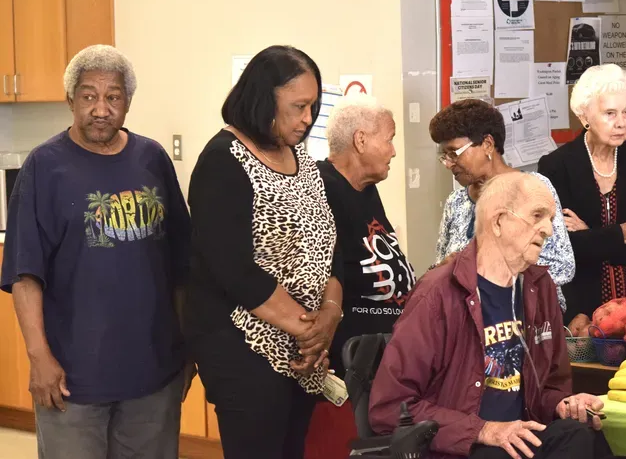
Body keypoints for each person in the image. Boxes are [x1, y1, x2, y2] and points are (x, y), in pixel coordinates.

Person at [0, 45, 193, 459]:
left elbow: (180, 266)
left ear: (128, 103)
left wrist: (186, 346)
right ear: (71, 100)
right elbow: (24, 274)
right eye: (89, 96)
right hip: (73, 379)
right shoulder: (44, 168)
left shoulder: (152, 159)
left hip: (154, 374)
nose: (101, 109)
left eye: (113, 97)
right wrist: (39, 358)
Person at [369, 173, 610, 459]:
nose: (548, 229)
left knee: (584, 435)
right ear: (498, 222)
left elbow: (549, 387)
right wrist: (483, 430)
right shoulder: (437, 294)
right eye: (537, 216)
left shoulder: (539, 286)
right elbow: (391, 408)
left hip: (517, 439)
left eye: (550, 218)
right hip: (463, 446)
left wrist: (564, 404)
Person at [186, 45, 343, 459]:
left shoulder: (302, 158)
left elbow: (327, 245)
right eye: (298, 107)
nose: (308, 119)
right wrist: (311, 330)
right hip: (244, 351)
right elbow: (233, 270)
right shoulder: (222, 161)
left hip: (304, 349)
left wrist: (329, 314)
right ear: (262, 100)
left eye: (313, 106)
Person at [538, 64, 626, 323]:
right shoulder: (557, 166)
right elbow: (566, 249)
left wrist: (592, 236)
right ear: (584, 117)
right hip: (584, 308)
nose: (621, 122)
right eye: (609, 113)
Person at [429, 99, 575, 312]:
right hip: (470, 331)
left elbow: (562, 267)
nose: (449, 163)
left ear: (487, 144)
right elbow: (441, 269)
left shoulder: (533, 188)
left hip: (528, 327)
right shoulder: (456, 202)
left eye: (454, 153)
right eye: (445, 156)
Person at [317, 94, 415, 371]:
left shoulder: (367, 188)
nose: (393, 151)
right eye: (389, 139)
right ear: (361, 140)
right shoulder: (321, 187)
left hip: (385, 354)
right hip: (350, 362)